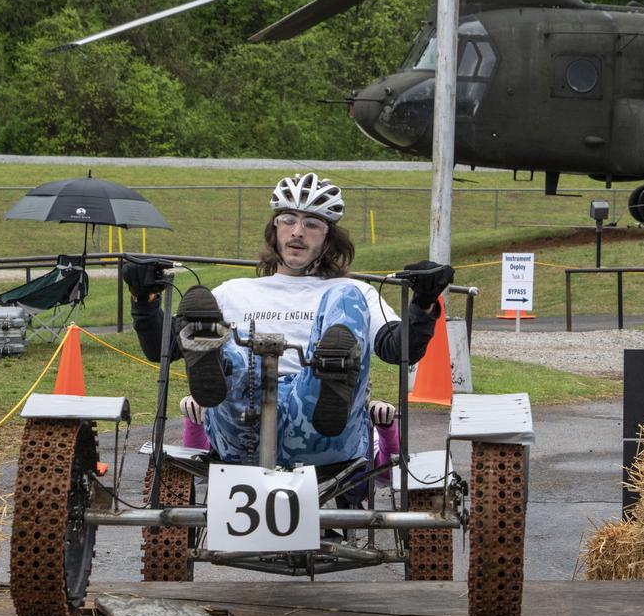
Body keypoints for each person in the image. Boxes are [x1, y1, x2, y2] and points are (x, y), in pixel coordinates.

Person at [124, 172, 453, 467]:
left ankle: (331, 376)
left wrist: (422, 305)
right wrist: (144, 299)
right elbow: (162, 350)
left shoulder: (354, 291)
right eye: (288, 220)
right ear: (274, 229)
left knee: (345, 298)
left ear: (328, 238)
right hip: (242, 424)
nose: (298, 232)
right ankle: (218, 364)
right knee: (225, 342)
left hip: (325, 428)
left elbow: (396, 349)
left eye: (312, 224)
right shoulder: (233, 291)